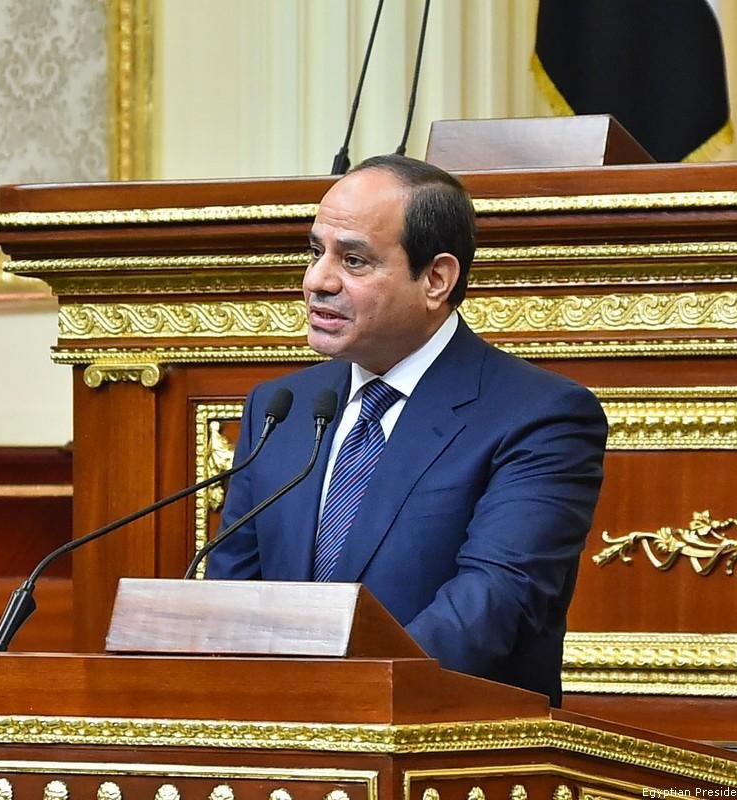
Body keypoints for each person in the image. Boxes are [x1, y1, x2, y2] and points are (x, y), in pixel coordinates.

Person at [205, 154, 608, 707]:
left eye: (353, 260)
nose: (317, 281)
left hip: (448, 740)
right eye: (316, 252)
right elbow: (232, 598)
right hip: (283, 737)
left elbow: (490, 606)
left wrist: (339, 702)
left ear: (436, 279)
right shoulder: (282, 408)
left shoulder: (540, 416)